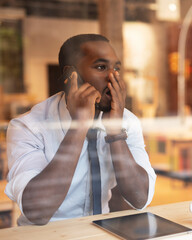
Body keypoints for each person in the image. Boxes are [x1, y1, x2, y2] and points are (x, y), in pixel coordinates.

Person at [5, 34, 156, 225]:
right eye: (101, 67)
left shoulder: (126, 121)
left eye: (116, 68)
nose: (113, 77)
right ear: (71, 75)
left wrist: (115, 132)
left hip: (100, 233)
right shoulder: (28, 127)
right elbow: (38, 210)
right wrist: (79, 126)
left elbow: (141, 198)